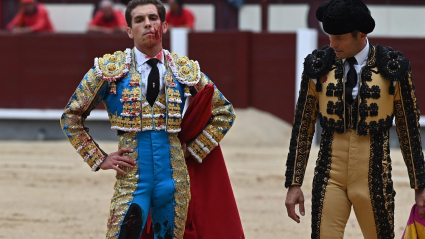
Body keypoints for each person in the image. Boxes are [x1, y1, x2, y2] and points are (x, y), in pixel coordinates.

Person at [60, 0, 235, 239]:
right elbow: (71, 116)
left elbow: (224, 111)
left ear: (163, 26)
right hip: (132, 179)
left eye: (153, 18)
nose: (148, 24)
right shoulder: (110, 70)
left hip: (173, 180)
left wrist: (194, 150)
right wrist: (99, 158)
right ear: (130, 31)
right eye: (139, 20)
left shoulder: (183, 70)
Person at [284, 0, 425, 238]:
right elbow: (303, 125)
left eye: (339, 38)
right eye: (329, 36)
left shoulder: (393, 67)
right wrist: (294, 182)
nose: (332, 44)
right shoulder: (318, 65)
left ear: (361, 35)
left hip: (374, 177)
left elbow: (408, 128)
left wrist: (420, 185)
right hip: (329, 175)